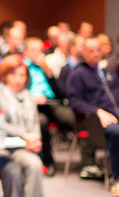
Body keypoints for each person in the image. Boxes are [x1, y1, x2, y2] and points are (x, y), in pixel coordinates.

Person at [68, 37, 119, 197]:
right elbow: (74, 101)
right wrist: (98, 111)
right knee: (117, 131)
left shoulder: (107, 73)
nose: (96, 54)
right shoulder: (78, 74)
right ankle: (117, 178)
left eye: (98, 50)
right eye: (91, 51)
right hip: (95, 121)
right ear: (84, 52)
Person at [0, 54, 44, 197]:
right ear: (4, 75)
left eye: (22, 75)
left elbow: (35, 124)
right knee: (12, 169)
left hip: (21, 148)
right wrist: (23, 134)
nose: (18, 79)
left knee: (35, 164)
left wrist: (35, 141)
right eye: (13, 74)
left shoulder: (28, 96)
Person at [23, 37, 75, 176]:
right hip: (31, 106)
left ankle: (88, 162)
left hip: (51, 103)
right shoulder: (22, 67)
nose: (36, 54)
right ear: (25, 52)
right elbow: (18, 91)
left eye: (39, 51)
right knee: (42, 123)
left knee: (71, 118)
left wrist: (48, 71)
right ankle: (47, 162)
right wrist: (31, 97)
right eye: (32, 50)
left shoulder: (45, 67)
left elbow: (60, 93)